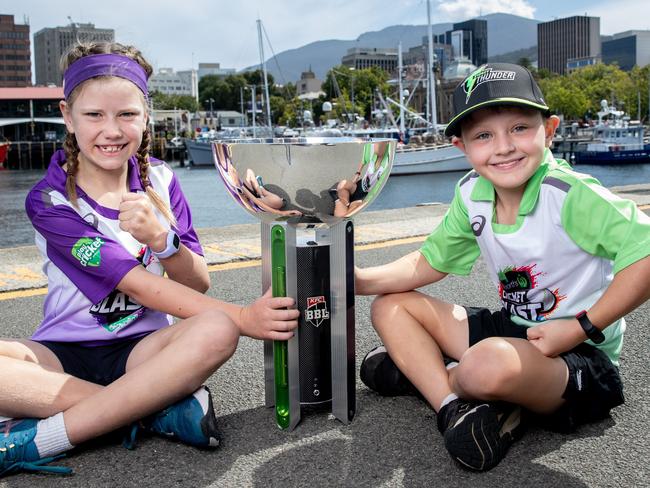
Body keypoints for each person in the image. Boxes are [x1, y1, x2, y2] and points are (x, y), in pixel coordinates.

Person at [0, 42, 299, 477]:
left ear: (145, 116)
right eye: (94, 115)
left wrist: (163, 239)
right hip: (61, 354)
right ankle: (152, 409)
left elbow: (196, 284)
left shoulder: (161, 178)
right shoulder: (49, 200)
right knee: (229, 320)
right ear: (67, 115)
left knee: (215, 330)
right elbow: (135, 284)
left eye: (126, 114)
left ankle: (43, 438)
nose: (112, 129)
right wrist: (245, 316)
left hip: (146, 352)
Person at [356, 63, 650, 471]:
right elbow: (427, 262)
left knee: (487, 365)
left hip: (580, 352)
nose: (503, 147)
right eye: (483, 136)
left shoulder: (568, 194)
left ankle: (432, 374)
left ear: (548, 130)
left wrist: (581, 326)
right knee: (389, 305)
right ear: (462, 147)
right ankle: (452, 406)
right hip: (517, 330)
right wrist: (355, 280)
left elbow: (646, 251)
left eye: (519, 128)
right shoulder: (471, 193)